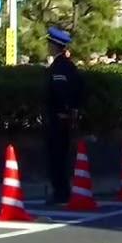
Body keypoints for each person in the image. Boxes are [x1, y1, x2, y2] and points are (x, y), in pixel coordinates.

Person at [43, 27, 85, 204]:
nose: (48, 47)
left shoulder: (59, 67)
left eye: (49, 44)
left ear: (54, 46)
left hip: (58, 117)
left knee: (57, 157)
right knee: (62, 156)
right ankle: (62, 191)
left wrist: (63, 110)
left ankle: (60, 192)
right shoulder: (69, 65)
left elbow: (60, 92)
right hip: (66, 118)